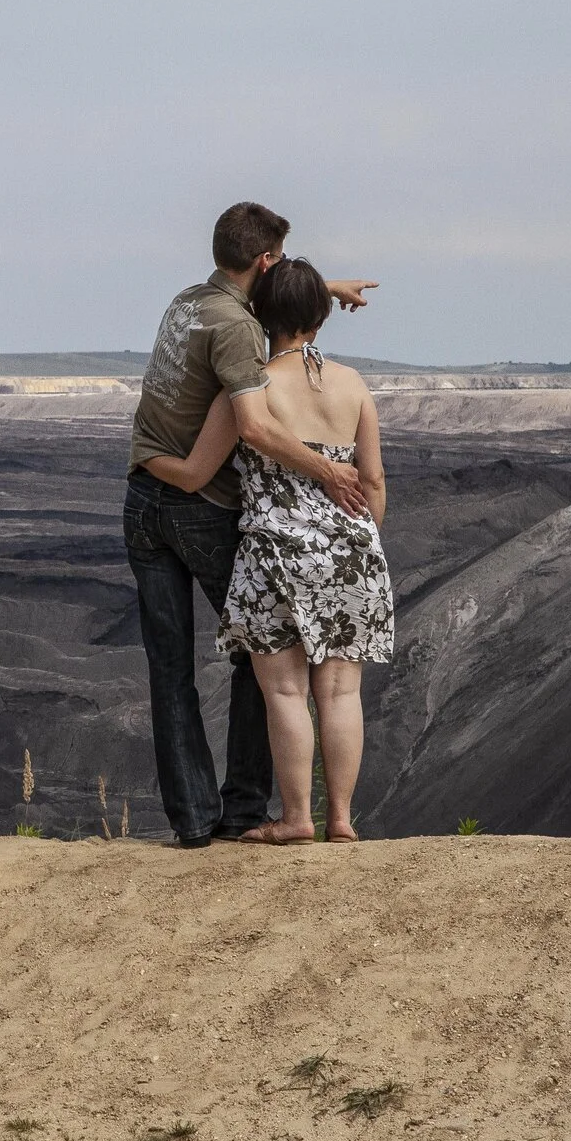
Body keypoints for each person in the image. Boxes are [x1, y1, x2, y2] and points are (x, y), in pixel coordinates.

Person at [124, 202, 374, 847]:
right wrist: (328, 474)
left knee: (170, 667)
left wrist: (319, 292)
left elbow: (270, 298)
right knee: (262, 658)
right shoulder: (244, 337)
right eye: (282, 260)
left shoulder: (190, 300)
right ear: (264, 263)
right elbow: (257, 429)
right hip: (199, 504)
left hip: (145, 497)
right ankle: (243, 812)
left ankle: (194, 823)